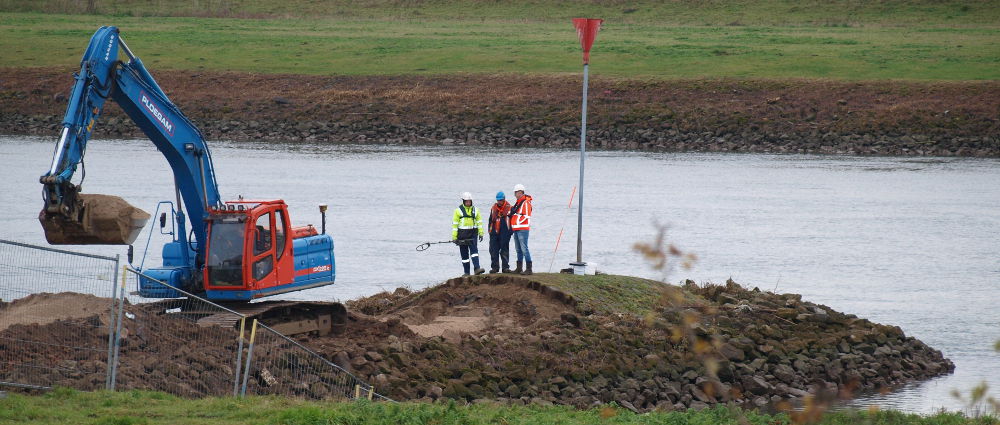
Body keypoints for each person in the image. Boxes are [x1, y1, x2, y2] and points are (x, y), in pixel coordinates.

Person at [452, 192, 485, 276]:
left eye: (469, 201)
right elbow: (455, 225)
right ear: (463, 201)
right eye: (466, 201)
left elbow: (479, 222)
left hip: (473, 234)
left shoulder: (475, 210)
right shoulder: (458, 211)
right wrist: (454, 237)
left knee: (474, 252)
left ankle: (477, 268)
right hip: (462, 235)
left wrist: (481, 233)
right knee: (464, 255)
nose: (468, 203)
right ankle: (466, 272)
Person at [509, 183, 533, 275]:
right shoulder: (518, 202)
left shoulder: (526, 203)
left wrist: (517, 222)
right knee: (518, 249)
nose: (515, 194)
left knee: (524, 249)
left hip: (522, 229)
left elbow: (527, 216)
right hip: (516, 229)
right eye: (515, 192)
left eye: (516, 192)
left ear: (521, 192)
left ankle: (529, 269)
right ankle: (519, 268)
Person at [488, 191, 513, 273]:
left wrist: (510, 232)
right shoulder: (493, 208)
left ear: (504, 199)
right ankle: (495, 268)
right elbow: (490, 220)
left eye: (501, 200)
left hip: (505, 232)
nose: (499, 202)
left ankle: (505, 267)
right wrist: (490, 231)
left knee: (504, 250)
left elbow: (513, 220)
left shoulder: (509, 208)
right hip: (494, 233)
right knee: (493, 250)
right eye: (498, 200)